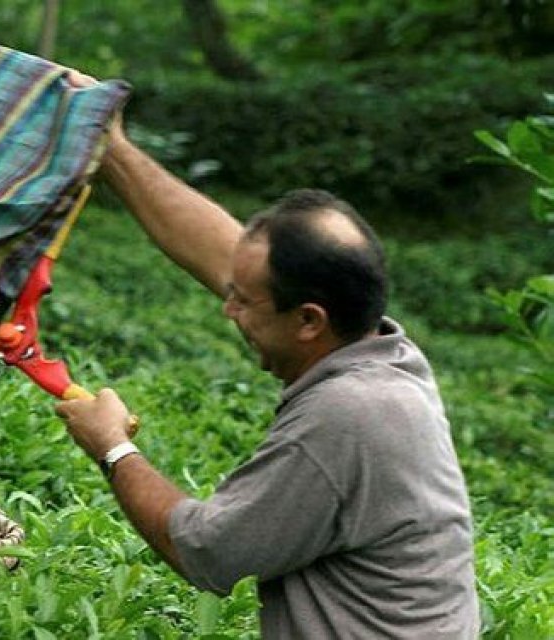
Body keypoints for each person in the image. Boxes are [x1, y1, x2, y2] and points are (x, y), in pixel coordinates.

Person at [54, 72, 479, 636]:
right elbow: (224, 256)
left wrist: (112, 447)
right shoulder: (377, 349)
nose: (228, 311)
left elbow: (207, 551)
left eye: (243, 302)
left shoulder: (348, 415)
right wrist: (112, 149)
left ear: (308, 320)